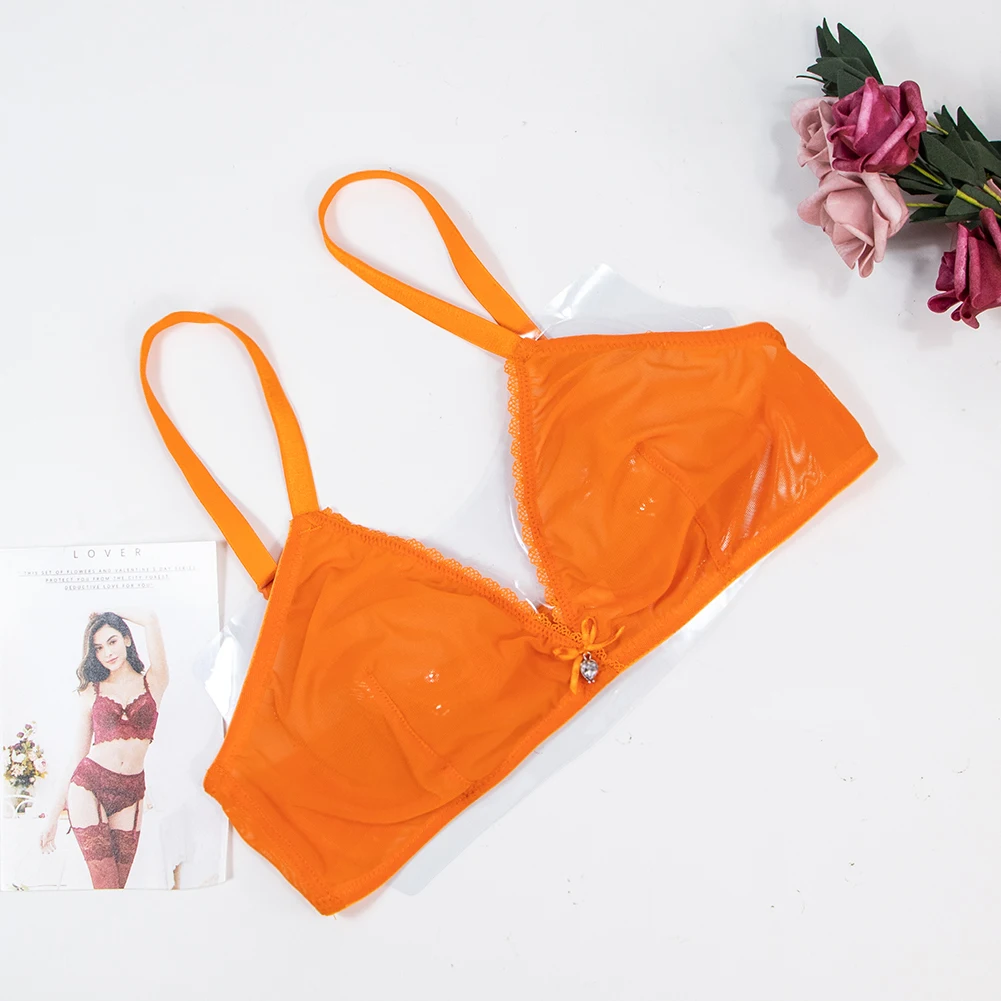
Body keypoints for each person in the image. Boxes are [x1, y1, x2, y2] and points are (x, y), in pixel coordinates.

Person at [39, 610, 167, 888]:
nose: (107, 652)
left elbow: (150, 619)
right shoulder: (92, 692)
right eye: (98, 648)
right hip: (89, 786)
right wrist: (52, 817)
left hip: (132, 791)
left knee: (117, 889)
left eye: (112, 641)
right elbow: (77, 756)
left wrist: (111, 611)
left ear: (127, 639)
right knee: (105, 884)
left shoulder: (154, 682)